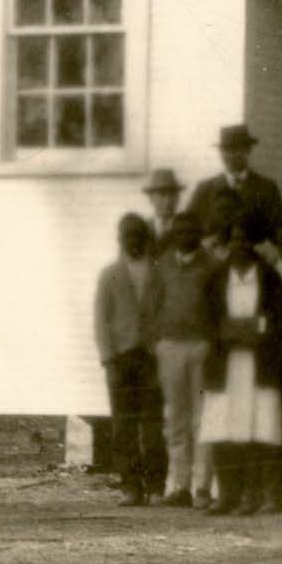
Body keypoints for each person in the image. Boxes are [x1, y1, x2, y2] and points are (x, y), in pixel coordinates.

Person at [201, 205, 282, 512]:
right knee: (223, 429)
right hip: (225, 364)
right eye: (234, 239)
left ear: (255, 242)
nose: (239, 244)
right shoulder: (215, 277)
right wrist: (226, 334)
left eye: (245, 238)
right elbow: (206, 319)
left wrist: (257, 333)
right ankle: (228, 495)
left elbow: (279, 319)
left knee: (258, 427)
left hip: (259, 363)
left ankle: (255, 495)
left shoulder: (269, 277)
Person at [149, 190, 215, 510]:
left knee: (202, 417)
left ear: (200, 234)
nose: (185, 236)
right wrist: (157, 343)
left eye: (191, 231)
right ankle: (179, 485)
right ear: (173, 235)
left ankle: (202, 487)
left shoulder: (212, 265)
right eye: (180, 231)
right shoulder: (162, 265)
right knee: (175, 417)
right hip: (170, 346)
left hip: (202, 346)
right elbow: (152, 306)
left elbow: (219, 308)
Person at [94, 212, 165, 503]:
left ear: (146, 238)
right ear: (120, 240)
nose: (133, 241)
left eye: (138, 235)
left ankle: (156, 486)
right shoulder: (109, 274)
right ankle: (131, 487)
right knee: (123, 425)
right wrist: (108, 359)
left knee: (153, 424)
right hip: (121, 358)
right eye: (128, 236)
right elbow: (101, 320)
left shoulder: (158, 271)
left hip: (151, 356)